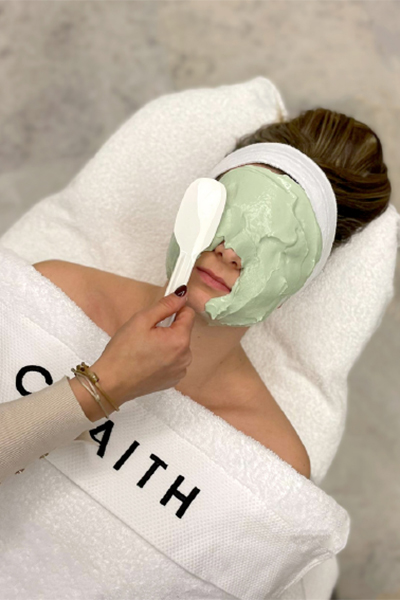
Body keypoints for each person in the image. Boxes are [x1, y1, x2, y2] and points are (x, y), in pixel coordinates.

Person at [0, 107, 391, 484]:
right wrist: (108, 384)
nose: (229, 252)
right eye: (227, 213)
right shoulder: (49, 293)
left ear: (302, 280)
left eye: (277, 244)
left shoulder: (270, 461)